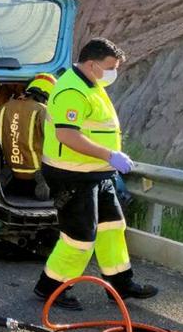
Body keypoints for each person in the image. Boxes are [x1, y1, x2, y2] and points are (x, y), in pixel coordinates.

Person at [33, 38, 157, 310]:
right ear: (91, 64)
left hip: (97, 174)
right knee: (79, 238)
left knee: (112, 228)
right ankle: (51, 288)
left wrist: (108, 161)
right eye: (110, 66)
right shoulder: (71, 90)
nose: (113, 72)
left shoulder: (92, 84)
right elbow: (67, 135)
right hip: (73, 176)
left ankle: (120, 285)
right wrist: (109, 155)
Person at [0, 73, 56, 201]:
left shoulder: (4, 108)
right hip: (37, 181)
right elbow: (55, 141)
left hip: (11, 179)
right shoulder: (42, 110)